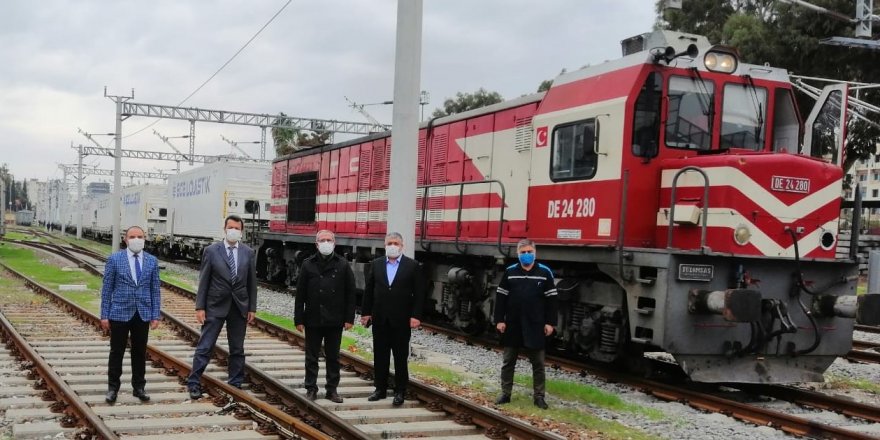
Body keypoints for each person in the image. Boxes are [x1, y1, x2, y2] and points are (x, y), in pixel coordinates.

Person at [187, 215, 257, 399]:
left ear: (241, 231)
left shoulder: (248, 252)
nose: (233, 230)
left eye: (237, 228)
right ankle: (194, 382)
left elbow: (251, 283)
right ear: (224, 229)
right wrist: (200, 306)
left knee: (237, 348)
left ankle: (235, 383)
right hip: (215, 305)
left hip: (239, 306)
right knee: (205, 345)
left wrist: (252, 308)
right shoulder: (212, 251)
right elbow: (204, 280)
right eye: (230, 227)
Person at [360, 232, 424, 407]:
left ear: (402, 246)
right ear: (385, 245)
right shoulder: (376, 264)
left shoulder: (412, 266)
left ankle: (400, 391)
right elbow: (369, 291)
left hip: (402, 320)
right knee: (380, 355)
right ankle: (379, 389)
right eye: (390, 243)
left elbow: (419, 294)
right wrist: (365, 313)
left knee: (400, 357)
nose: (393, 246)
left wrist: (416, 316)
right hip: (380, 319)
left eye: (396, 243)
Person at [493, 239, 557, 409]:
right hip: (513, 324)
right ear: (518, 254)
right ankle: (505, 394)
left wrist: (551, 323)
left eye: (529, 252)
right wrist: (499, 319)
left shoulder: (545, 272)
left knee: (538, 364)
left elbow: (552, 300)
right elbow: (501, 297)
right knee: (508, 362)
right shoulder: (510, 272)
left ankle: (539, 397)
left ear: (535, 253)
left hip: (536, 325)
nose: (526, 255)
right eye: (523, 252)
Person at [100, 225, 161, 404]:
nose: (136, 240)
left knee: (139, 352)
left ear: (145, 238)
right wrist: (104, 314)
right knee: (116, 351)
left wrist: (155, 314)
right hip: (119, 312)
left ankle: (139, 387)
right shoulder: (114, 259)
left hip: (142, 313)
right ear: (125, 239)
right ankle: (113, 388)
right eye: (132, 236)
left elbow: (155, 289)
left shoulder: (151, 261)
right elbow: (107, 289)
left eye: (140, 236)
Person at [295, 230, 356, 403]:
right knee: (311, 356)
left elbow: (351, 294)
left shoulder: (343, 265)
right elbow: (300, 294)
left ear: (335, 243)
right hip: (313, 318)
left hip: (335, 319)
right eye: (323, 240)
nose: (326, 243)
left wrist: (349, 319)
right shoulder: (307, 264)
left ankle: (332, 390)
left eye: (329, 240)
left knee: (333, 356)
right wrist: (298, 318)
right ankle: (311, 388)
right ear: (316, 244)